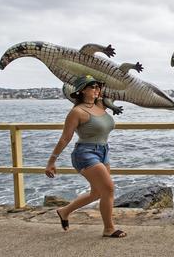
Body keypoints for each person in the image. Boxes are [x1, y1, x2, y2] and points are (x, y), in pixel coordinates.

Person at [45, 75, 126, 238]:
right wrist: (51, 161)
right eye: (92, 87)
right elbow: (65, 138)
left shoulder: (100, 105)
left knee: (97, 193)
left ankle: (64, 211)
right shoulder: (77, 112)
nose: (97, 89)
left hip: (103, 151)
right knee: (109, 188)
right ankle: (109, 228)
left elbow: (116, 90)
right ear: (82, 90)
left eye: (98, 87)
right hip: (85, 153)